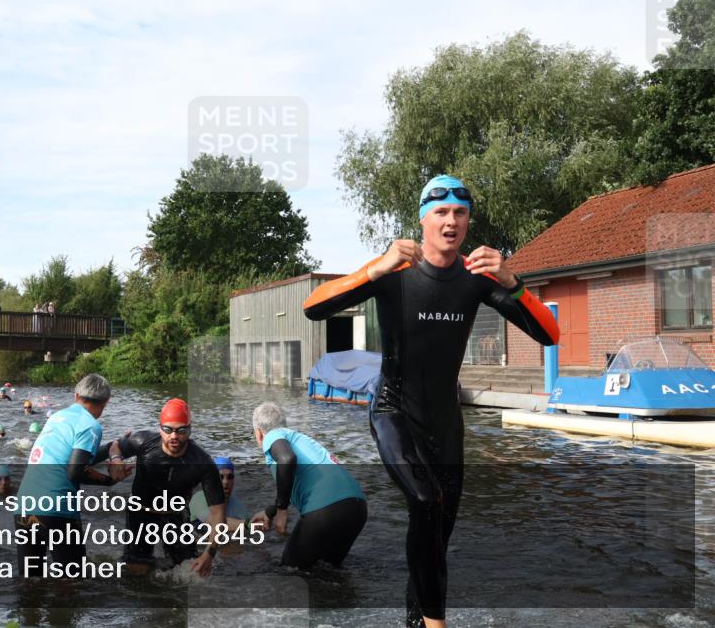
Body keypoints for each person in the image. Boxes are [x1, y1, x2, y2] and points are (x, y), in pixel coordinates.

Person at [302, 174, 560, 628]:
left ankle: (415, 620)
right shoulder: (395, 273)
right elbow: (313, 307)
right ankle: (438, 624)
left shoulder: (476, 280)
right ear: (423, 219)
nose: (451, 221)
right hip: (393, 410)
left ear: (467, 221)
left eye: (459, 213)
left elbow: (548, 334)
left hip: (445, 422)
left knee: (436, 533)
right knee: (425, 500)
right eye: (440, 212)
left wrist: (513, 281)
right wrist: (373, 269)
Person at [14, 374, 125, 576]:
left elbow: (74, 458)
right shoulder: (90, 425)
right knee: (71, 580)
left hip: (24, 506)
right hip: (56, 510)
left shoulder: (57, 417)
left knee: (29, 579)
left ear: (76, 396)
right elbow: (75, 470)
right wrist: (109, 481)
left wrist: (110, 447)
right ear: (106, 401)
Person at [108, 398, 225, 577]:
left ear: (190, 429)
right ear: (160, 428)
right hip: (140, 512)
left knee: (191, 571)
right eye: (168, 429)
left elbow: (218, 514)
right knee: (137, 572)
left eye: (181, 430)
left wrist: (209, 554)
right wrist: (115, 460)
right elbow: (115, 446)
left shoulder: (202, 462)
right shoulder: (143, 442)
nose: (174, 436)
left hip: (176, 515)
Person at [249, 402, 366, 570]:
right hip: (356, 508)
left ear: (258, 433)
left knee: (290, 572)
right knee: (328, 572)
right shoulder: (301, 440)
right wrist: (271, 511)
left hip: (327, 509)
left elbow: (287, 459)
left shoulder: (272, 435)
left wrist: (282, 511)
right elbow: (302, 482)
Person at [189, 456, 249, 530]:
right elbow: (215, 522)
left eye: (230, 477)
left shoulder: (237, 505)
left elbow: (250, 527)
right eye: (220, 477)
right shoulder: (198, 499)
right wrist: (247, 525)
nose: (226, 482)